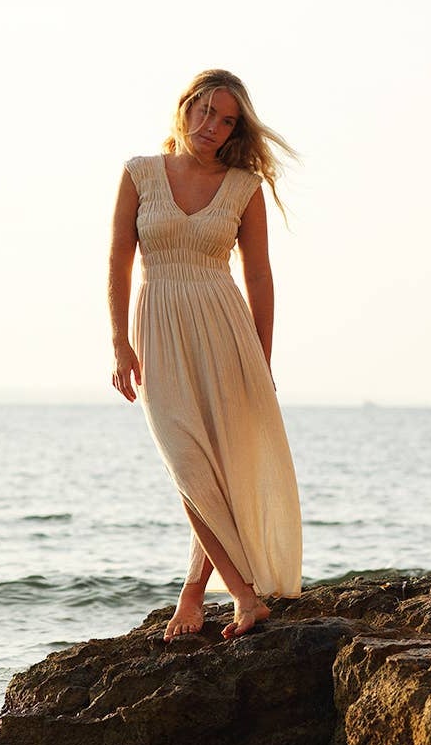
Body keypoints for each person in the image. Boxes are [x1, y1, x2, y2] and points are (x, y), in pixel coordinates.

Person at [108, 69, 303, 642]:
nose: (210, 126)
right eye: (204, 110)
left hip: (225, 326)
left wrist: (261, 361)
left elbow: (260, 275)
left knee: (216, 461)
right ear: (185, 105)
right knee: (186, 459)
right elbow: (119, 257)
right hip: (157, 324)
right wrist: (120, 342)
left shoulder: (243, 187)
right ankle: (240, 593)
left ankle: (200, 593)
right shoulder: (140, 173)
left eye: (226, 120)